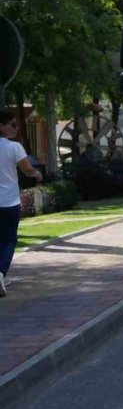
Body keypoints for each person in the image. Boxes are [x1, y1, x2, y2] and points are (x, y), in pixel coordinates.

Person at [0, 109, 43, 297]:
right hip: (8, 201)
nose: (16, 128)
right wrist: (36, 173)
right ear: (1, 126)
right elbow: (27, 169)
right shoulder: (14, 147)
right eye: (13, 124)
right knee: (9, 239)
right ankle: (1, 273)